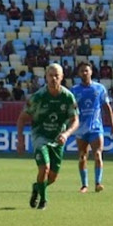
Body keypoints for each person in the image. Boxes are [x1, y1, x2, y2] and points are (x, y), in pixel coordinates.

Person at [16, 63, 79, 211]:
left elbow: (75, 120)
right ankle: (43, 201)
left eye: (57, 75)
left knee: (52, 177)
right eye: (50, 75)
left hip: (58, 139)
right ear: (46, 77)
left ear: (62, 77)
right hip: (40, 136)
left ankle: (37, 187)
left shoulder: (68, 97)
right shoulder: (38, 97)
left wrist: (66, 133)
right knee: (44, 168)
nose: (53, 78)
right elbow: (22, 118)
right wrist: (20, 140)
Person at [70, 61, 113, 193]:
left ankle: (98, 183)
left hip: (96, 128)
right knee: (82, 156)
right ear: (78, 73)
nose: (84, 73)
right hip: (81, 129)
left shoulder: (99, 88)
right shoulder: (74, 90)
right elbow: (70, 109)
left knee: (97, 154)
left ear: (91, 72)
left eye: (87, 70)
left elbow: (107, 108)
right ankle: (84, 185)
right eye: (82, 71)